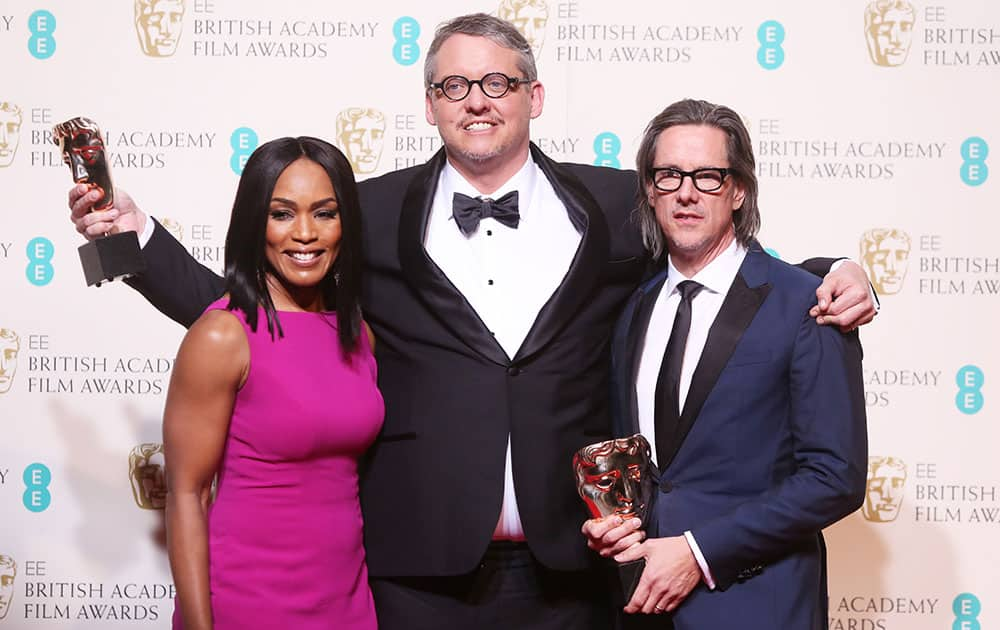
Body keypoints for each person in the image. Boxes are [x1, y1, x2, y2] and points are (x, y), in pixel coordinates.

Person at [69, 14, 876, 629]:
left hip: (580, 565)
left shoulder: (616, 203)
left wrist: (830, 273)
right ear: (429, 104)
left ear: (535, 95)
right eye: (455, 85)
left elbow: (715, 256)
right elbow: (261, 314)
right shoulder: (372, 211)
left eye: (498, 82)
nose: (477, 101)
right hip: (415, 566)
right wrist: (135, 240)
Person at [584, 99, 867, 629]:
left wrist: (699, 552)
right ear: (649, 189)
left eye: (708, 176)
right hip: (644, 607)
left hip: (757, 604)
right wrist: (617, 520)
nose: (687, 192)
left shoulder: (808, 304)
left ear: (738, 190)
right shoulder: (634, 308)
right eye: (669, 175)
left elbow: (836, 477)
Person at [162, 136, 382, 629]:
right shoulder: (223, 334)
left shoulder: (358, 334)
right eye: (282, 214)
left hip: (347, 604)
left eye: (325, 213)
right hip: (248, 601)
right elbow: (186, 495)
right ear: (253, 224)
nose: (305, 233)